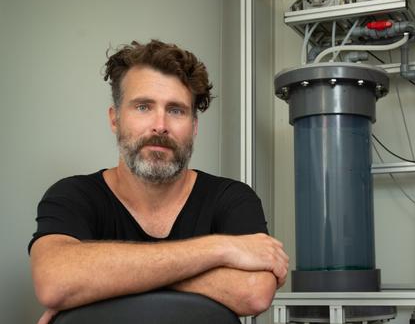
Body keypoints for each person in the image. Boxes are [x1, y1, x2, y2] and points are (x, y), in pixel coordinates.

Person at [28, 40, 289, 324]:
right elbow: (55, 281)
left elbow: (253, 293)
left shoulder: (231, 197)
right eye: (143, 107)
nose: (160, 125)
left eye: (176, 110)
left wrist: (102, 281)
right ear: (115, 119)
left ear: (194, 127)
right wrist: (222, 249)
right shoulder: (73, 195)